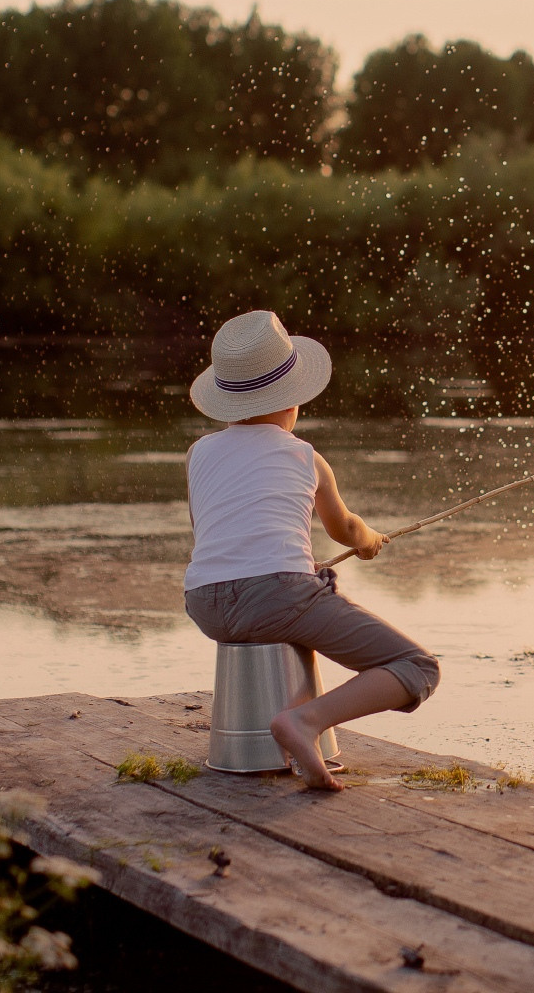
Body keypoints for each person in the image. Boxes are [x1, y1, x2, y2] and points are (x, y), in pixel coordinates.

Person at [182, 310, 439, 790]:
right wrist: (370, 541)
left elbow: (216, 536)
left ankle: (266, 734)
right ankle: (305, 720)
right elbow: (345, 529)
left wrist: (289, 568)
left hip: (204, 602)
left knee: (289, 593)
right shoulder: (305, 455)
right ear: (291, 400)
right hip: (277, 596)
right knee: (417, 666)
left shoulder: (199, 453)